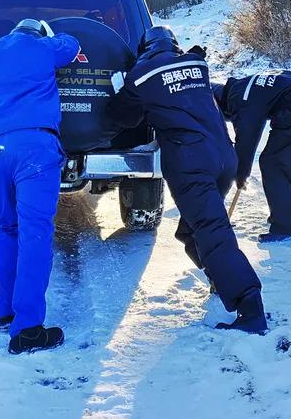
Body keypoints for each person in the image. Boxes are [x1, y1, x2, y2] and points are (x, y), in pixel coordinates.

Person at [106, 25, 267, 334]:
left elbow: (121, 117)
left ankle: (249, 307)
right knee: (191, 230)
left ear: (145, 49)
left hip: (191, 163)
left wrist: (124, 93)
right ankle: (223, 279)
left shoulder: (142, 74)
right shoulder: (196, 64)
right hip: (224, 157)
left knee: (211, 231)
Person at [0, 18, 80, 354]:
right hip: (33, 147)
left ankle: (3, 309)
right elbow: (72, 45)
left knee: (7, 226)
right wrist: (55, 34)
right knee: (35, 231)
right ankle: (29, 329)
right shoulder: (43, 46)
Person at [212, 71, 291, 242]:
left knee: (274, 165)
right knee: (289, 166)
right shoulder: (245, 86)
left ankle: (286, 228)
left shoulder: (240, 97)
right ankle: (285, 216)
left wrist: (240, 173)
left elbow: (247, 138)